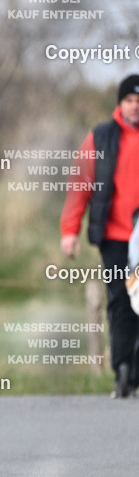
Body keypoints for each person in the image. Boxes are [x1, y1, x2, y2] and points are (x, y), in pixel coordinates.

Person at [61, 73, 139, 398]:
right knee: (121, 303)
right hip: (115, 237)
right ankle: (122, 371)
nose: (136, 107)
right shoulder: (101, 137)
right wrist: (70, 231)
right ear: (120, 104)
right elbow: (80, 185)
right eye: (130, 101)